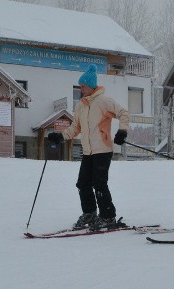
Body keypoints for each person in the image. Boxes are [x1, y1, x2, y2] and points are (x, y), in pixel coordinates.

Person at [47, 64, 130, 230]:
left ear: (91, 86)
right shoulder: (81, 106)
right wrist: (60, 135)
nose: (81, 89)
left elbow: (123, 113)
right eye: (80, 86)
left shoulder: (104, 101)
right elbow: (75, 128)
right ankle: (90, 213)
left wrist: (122, 131)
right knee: (83, 183)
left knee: (99, 184)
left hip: (103, 150)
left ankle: (107, 217)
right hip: (88, 151)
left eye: (83, 86)